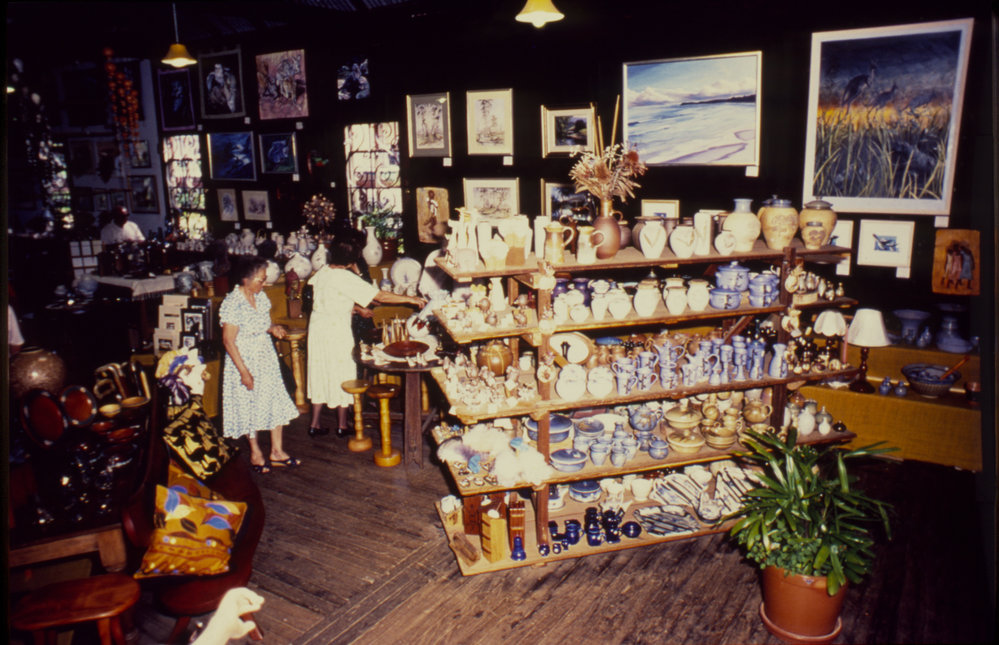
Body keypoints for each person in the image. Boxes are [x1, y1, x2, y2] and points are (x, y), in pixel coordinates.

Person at [306, 237, 425, 437]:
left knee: (319, 370)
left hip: (318, 328)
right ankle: (343, 425)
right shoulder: (345, 277)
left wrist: (356, 308)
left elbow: (329, 299)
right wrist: (411, 299)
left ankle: (314, 424)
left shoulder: (324, 272)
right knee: (343, 372)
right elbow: (381, 296)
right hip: (336, 329)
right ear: (353, 259)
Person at [220, 256, 300, 473]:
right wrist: (244, 372)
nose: (263, 284)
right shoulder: (232, 303)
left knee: (275, 399)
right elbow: (228, 341)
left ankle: (277, 451)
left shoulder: (261, 297)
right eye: (260, 280)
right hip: (243, 359)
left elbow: (261, 323)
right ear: (245, 279)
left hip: (265, 356)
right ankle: (256, 453)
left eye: (264, 280)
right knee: (248, 404)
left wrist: (272, 328)